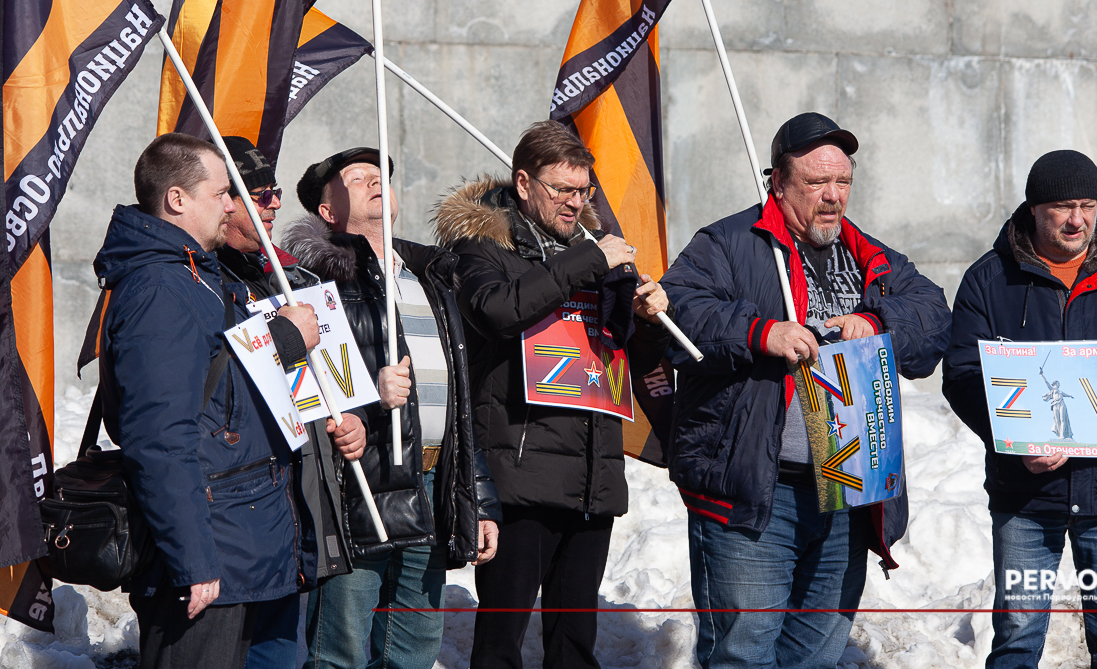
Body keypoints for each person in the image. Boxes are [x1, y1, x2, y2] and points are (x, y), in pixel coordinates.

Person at [659, 112, 951, 669]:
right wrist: (759, 332)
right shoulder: (727, 244)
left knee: (815, 655)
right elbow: (678, 315)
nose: (833, 196)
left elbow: (934, 316)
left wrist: (879, 320)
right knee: (742, 654)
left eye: (842, 181)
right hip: (756, 493)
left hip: (847, 488)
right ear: (778, 182)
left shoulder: (868, 255)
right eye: (816, 182)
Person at [942, 149, 1097, 669]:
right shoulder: (989, 279)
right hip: (1024, 499)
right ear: (1034, 209)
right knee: (1016, 640)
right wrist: (1013, 442)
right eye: (1062, 207)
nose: (1077, 220)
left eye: (1088, 206)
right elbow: (963, 376)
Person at [432, 120, 672, 669]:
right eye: (562, 189)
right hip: (521, 475)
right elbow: (499, 311)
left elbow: (630, 357)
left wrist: (648, 319)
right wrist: (587, 262)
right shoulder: (483, 249)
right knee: (501, 644)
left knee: (574, 645)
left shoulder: (593, 253)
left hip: (591, 472)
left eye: (584, 190)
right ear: (523, 183)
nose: (575, 202)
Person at [90, 133, 322, 669]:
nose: (231, 205)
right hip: (211, 554)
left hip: (246, 541)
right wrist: (193, 560)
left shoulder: (199, 274)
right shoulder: (159, 287)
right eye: (221, 193)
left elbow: (225, 391)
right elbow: (159, 438)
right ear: (177, 199)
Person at [283, 146, 502, 669]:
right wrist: (368, 397)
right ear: (327, 211)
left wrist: (479, 499)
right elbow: (295, 384)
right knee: (338, 650)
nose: (374, 180)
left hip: (433, 483)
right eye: (356, 178)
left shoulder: (432, 277)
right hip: (358, 484)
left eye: (379, 174)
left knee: (413, 649)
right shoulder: (311, 283)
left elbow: (459, 406)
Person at [216, 136, 358, 669]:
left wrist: (353, 421)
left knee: (278, 654)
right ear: (223, 201)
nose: (275, 202)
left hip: (289, 510)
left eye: (275, 190)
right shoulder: (199, 279)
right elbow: (215, 387)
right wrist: (282, 339)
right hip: (230, 513)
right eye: (260, 193)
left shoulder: (296, 278)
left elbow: (334, 385)